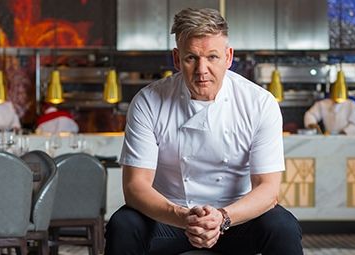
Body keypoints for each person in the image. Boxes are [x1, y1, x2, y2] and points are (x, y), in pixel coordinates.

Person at [104, 8, 303, 255]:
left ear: (228, 57)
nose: (202, 69)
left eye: (212, 57)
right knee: (123, 224)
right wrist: (183, 217)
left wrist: (222, 217)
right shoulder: (148, 102)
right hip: (170, 218)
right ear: (176, 59)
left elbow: (268, 189)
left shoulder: (259, 103)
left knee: (282, 226)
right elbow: (135, 186)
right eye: (191, 58)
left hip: (236, 219)